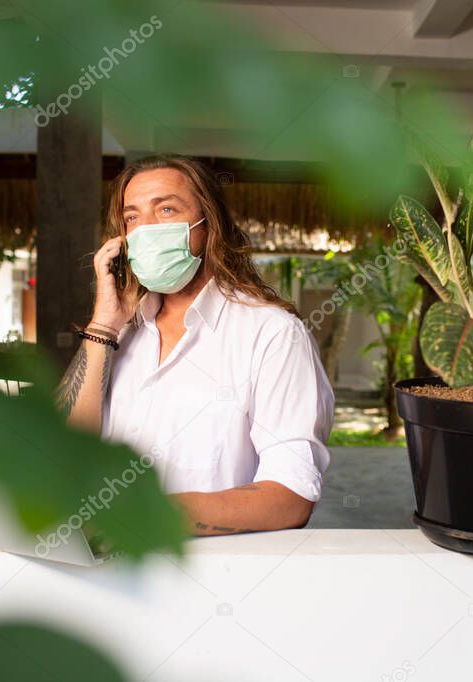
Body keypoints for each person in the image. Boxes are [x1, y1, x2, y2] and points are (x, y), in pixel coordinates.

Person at [54, 154, 334, 536]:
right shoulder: (123, 331)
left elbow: (290, 496)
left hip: (214, 576)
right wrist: (103, 327)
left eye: (166, 209)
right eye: (133, 217)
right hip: (102, 568)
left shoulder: (273, 334)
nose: (147, 229)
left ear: (208, 224)